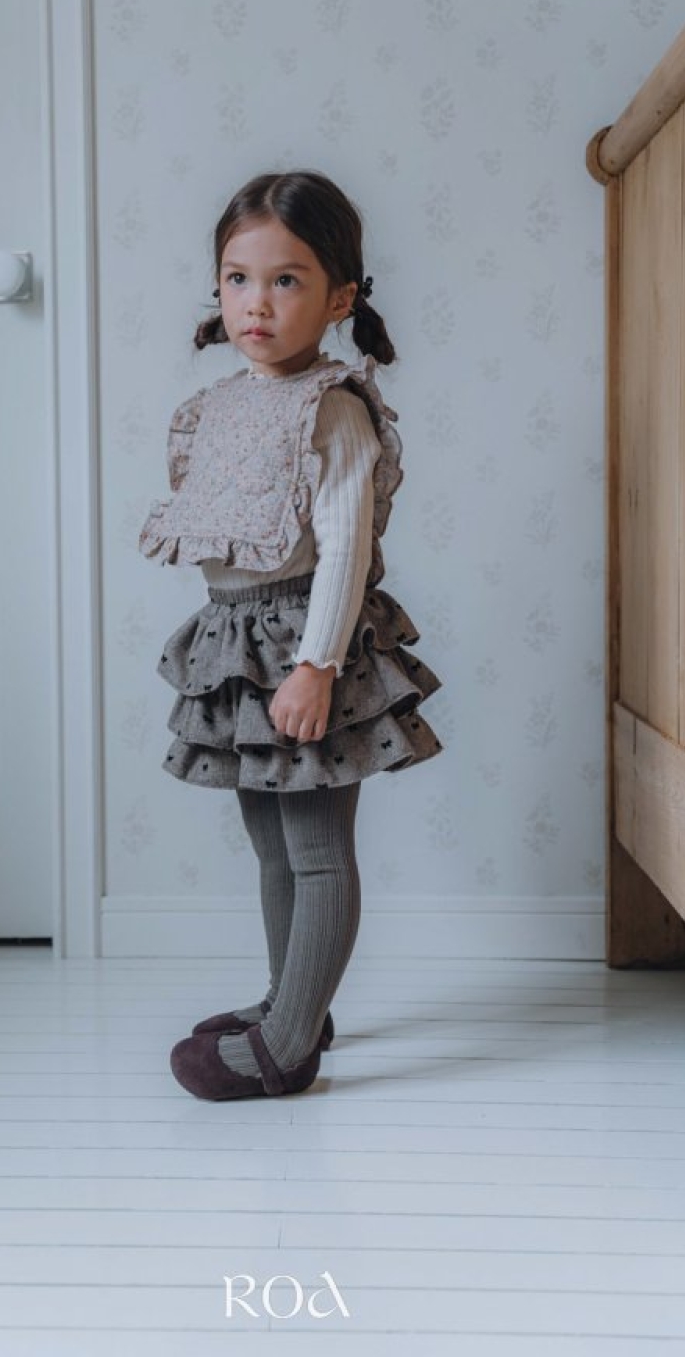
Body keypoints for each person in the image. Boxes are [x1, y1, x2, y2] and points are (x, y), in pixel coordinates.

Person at [139, 169, 444, 1101]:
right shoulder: (222, 404)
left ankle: (286, 1046)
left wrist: (316, 665)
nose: (257, 304)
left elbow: (345, 550)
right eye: (238, 279)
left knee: (315, 850)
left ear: (339, 298)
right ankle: (293, 1001)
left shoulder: (332, 407)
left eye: (286, 280)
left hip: (306, 645)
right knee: (270, 845)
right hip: (240, 646)